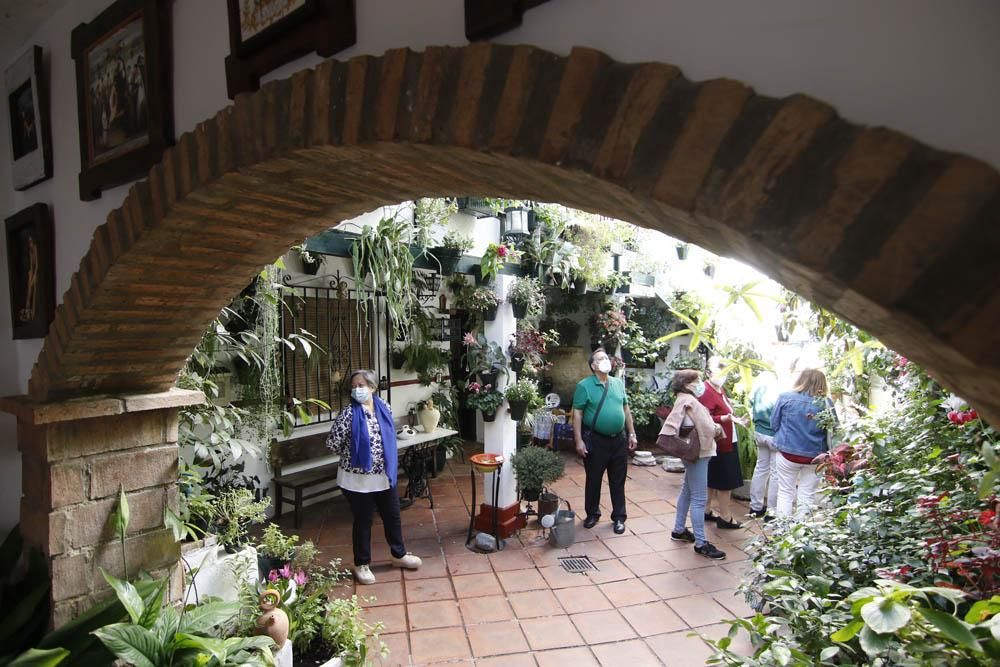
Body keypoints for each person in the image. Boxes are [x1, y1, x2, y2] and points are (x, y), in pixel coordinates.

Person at [326, 369, 422, 584]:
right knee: (364, 520)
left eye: (361, 385)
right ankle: (361, 564)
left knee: (392, 515)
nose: (357, 389)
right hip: (357, 479)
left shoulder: (383, 407)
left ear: (372, 387)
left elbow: (389, 436)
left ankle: (399, 555)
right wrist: (353, 450)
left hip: (383, 475)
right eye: (354, 386)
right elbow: (332, 444)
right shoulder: (349, 413)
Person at [661, 369, 726, 560]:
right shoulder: (690, 401)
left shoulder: (681, 399)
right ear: (688, 385)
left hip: (690, 452)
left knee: (687, 491)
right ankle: (701, 543)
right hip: (699, 453)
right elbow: (706, 427)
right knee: (699, 498)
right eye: (698, 381)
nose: (701, 385)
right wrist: (718, 429)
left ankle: (679, 529)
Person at [573, 347, 638, 534]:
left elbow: (626, 409)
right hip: (596, 440)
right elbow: (577, 414)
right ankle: (592, 514)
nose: (605, 361)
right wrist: (579, 440)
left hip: (618, 440)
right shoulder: (584, 386)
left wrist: (631, 433)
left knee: (618, 480)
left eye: (606, 357)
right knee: (594, 479)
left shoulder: (617, 383)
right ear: (593, 366)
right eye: (600, 359)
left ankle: (619, 517)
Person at [771, 369, 835, 519]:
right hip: (815, 456)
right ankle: (801, 534)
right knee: (807, 495)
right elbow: (834, 429)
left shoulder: (785, 397)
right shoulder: (826, 403)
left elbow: (774, 424)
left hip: (787, 453)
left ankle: (783, 532)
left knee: (785, 493)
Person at [700, 357, 745, 529]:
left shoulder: (719, 389)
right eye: (718, 369)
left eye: (724, 370)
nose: (722, 374)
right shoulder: (706, 391)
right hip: (719, 442)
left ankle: (707, 509)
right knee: (726, 481)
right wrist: (724, 418)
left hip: (725, 439)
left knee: (714, 478)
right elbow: (703, 417)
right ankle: (725, 517)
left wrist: (733, 419)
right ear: (708, 372)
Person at [748, 374, 781, 518]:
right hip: (774, 434)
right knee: (775, 473)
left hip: (759, 432)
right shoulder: (780, 389)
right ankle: (772, 511)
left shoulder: (759, 387)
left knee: (761, 468)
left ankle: (755, 507)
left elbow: (750, 403)